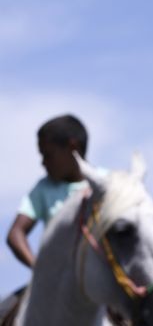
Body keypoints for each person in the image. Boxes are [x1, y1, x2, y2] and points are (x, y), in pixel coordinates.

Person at [6, 114, 93, 269]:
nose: (43, 163)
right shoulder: (44, 189)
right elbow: (15, 233)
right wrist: (39, 271)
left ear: (73, 148)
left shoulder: (106, 184)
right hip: (59, 283)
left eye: (48, 155)